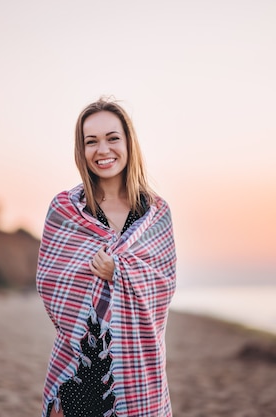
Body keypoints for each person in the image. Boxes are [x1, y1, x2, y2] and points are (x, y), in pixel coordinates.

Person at [36, 97, 177, 417]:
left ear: (129, 143)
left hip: (138, 370)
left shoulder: (156, 213)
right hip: (80, 365)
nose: (103, 150)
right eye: (91, 142)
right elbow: (50, 281)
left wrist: (120, 270)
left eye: (113, 138)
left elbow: (164, 285)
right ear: (81, 151)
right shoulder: (64, 210)